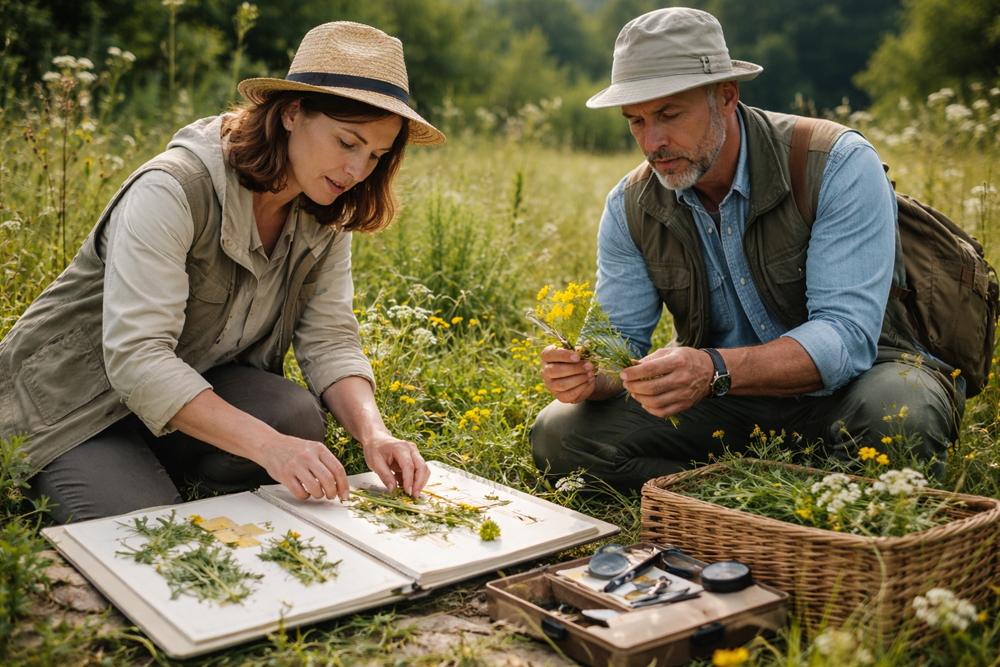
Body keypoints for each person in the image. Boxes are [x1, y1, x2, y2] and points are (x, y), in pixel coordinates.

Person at [0, 22, 446, 523]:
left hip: (183, 396)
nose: (358, 171)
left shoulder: (325, 209)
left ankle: (166, 464)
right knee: (144, 530)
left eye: (376, 156)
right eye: (348, 142)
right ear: (292, 113)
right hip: (78, 405)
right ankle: (103, 470)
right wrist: (269, 448)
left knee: (296, 419)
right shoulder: (172, 188)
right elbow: (138, 358)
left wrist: (374, 433)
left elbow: (330, 340)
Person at [530, 8, 962, 495]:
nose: (653, 142)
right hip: (726, 404)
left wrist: (714, 368)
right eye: (637, 121)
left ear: (727, 96)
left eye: (670, 114)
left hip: (854, 387)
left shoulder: (835, 163)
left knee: (900, 411)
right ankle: (754, 497)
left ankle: (771, 495)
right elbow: (619, 340)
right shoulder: (630, 204)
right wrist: (589, 376)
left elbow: (846, 338)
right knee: (559, 435)